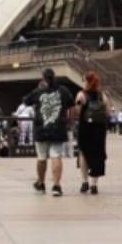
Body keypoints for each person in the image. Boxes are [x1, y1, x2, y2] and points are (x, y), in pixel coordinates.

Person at [30, 68, 75, 196]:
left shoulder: (39, 91)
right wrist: (70, 121)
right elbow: (72, 106)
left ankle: (41, 183)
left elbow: (26, 101)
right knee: (56, 155)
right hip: (58, 128)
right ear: (54, 77)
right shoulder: (63, 90)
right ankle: (56, 186)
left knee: (41, 157)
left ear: (43, 78)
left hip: (41, 128)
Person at [73, 71, 108, 194]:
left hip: (85, 128)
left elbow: (77, 110)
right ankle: (94, 185)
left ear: (86, 81)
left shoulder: (81, 95)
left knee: (84, 154)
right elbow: (107, 111)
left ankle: (84, 182)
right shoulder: (102, 96)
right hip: (99, 129)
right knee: (97, 155)